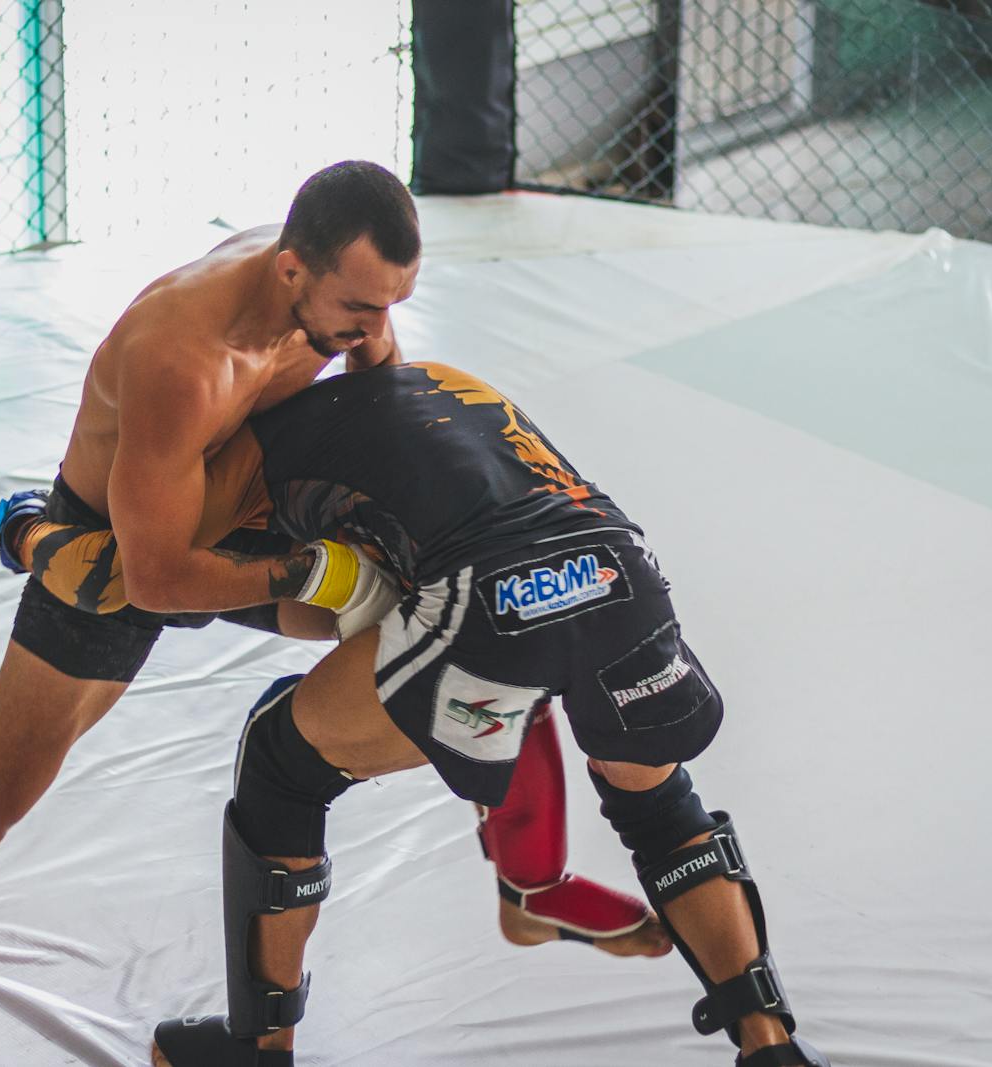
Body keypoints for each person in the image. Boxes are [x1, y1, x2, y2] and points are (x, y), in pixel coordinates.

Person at [0, 162, 657, 963]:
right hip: (131, 548)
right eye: (360, 309)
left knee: (478, 627)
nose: (376, 330)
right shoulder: (182, 357)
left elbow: (378, 381)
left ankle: (530, 885)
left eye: (394, 303)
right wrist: (317, 572)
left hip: (256, 504)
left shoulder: (332, 293)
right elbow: (160, 580)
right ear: (290, 272)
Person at [149, 363, 831, 1067]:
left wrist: (38, 540)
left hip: (496, 604)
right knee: (658, 800)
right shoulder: (426, 384)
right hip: (617, 569)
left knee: (282, 756)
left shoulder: (250, 454)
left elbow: (162, 575)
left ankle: (256, 1051)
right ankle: (771, 1044)